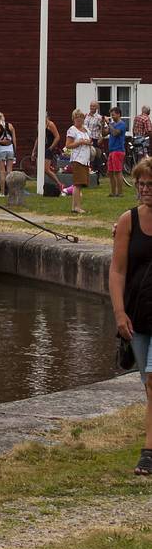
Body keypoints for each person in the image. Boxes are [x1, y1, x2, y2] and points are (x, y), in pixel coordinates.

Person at [108, 156, 152, 475]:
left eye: (151, 184)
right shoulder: (128, 221)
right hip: (137, 315)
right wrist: (119, 312)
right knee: (147, 384)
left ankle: (148, 454)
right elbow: (118, 269)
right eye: (142, 184)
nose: (146, 189)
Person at [63, 108, 92, 215]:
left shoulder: (86, 130)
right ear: (73, 119)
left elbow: (90, 141)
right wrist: (79, 142)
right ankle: (77, 207)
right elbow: (68, 145)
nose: (79, 119)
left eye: (80, 117)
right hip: (77, 159)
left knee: (81, 184)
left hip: (85, 159)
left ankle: (74, 206)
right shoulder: (72, 130)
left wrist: (88, 142)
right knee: (77, 183)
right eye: (76, 117)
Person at [107, 106, 127, 199]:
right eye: (111, 114)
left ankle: (120, 193)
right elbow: (104, 133)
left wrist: (108, 124)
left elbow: (115, 133)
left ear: (118, 114)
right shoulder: (112, 124)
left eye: (113, 114)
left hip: (118, 150)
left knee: (117, 172)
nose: (112, 116)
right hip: (111, 151)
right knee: (110, 172)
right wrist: (104, 124)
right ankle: (113, 192)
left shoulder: (122, 124)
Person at [0, 110, 17, 187]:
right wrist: (14, 149)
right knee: (9, 171)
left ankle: (2, 191)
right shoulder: (10, 125)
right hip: (10, 149)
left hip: (0, 149)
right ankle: (10, 189)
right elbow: (14, 139)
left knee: (2, 171)